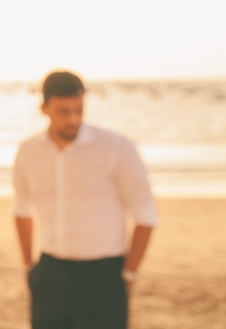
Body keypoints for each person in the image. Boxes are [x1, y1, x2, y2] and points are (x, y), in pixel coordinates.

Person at [13, 70, 158, 329]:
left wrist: (130, 273)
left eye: (79, 109)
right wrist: (29, 266)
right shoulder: (28, 151)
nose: (73, 119)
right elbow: (22, 209)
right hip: (50, 272)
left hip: (103, 275)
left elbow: (145, 214)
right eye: (64, 111)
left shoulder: (117, 147)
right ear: (43, 108)